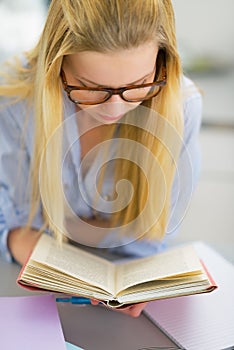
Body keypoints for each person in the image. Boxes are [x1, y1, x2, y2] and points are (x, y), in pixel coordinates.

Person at [0, 0, 202, 317]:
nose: (114, 109)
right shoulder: (13, 100)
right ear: (57, 65)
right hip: (33, 296)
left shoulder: (181, 105)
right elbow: (18, 225)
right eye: (91, 88)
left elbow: (146, 239)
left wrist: (56, 231)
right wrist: (27, 236)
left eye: (138, 86)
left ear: (163, 64)